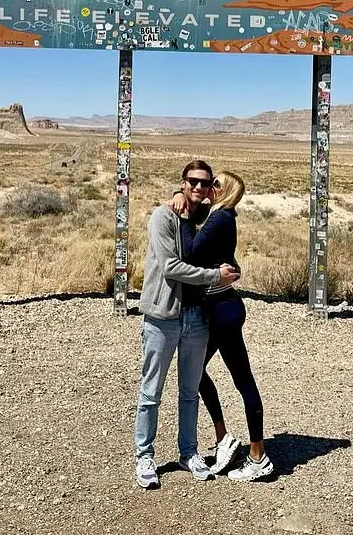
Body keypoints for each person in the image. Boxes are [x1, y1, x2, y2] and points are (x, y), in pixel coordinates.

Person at [134, 160, 240, 490]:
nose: (198, 187)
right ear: (182, 182)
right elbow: (170, 267)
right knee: (151, 391)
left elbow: (221, 238)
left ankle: (189, 452)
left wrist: (229, 270)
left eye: (205, 183)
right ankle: (144, 455)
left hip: (196, 317)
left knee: (190, 392)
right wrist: (214, 276)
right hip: (163, 315)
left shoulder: (203, 217)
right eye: (192, 181)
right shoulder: (162, 216)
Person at [170, 170, 274, 482]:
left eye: (215, 184)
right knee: (221, 375)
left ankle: (250, 452)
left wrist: (185, 218)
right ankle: (238, 444)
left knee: (217, 375)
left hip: (223, 310)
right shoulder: (223, 217)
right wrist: (180, 195)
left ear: (225, 190)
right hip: (224, 307)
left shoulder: (220, 218)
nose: (209, 187)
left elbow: (190, 251)